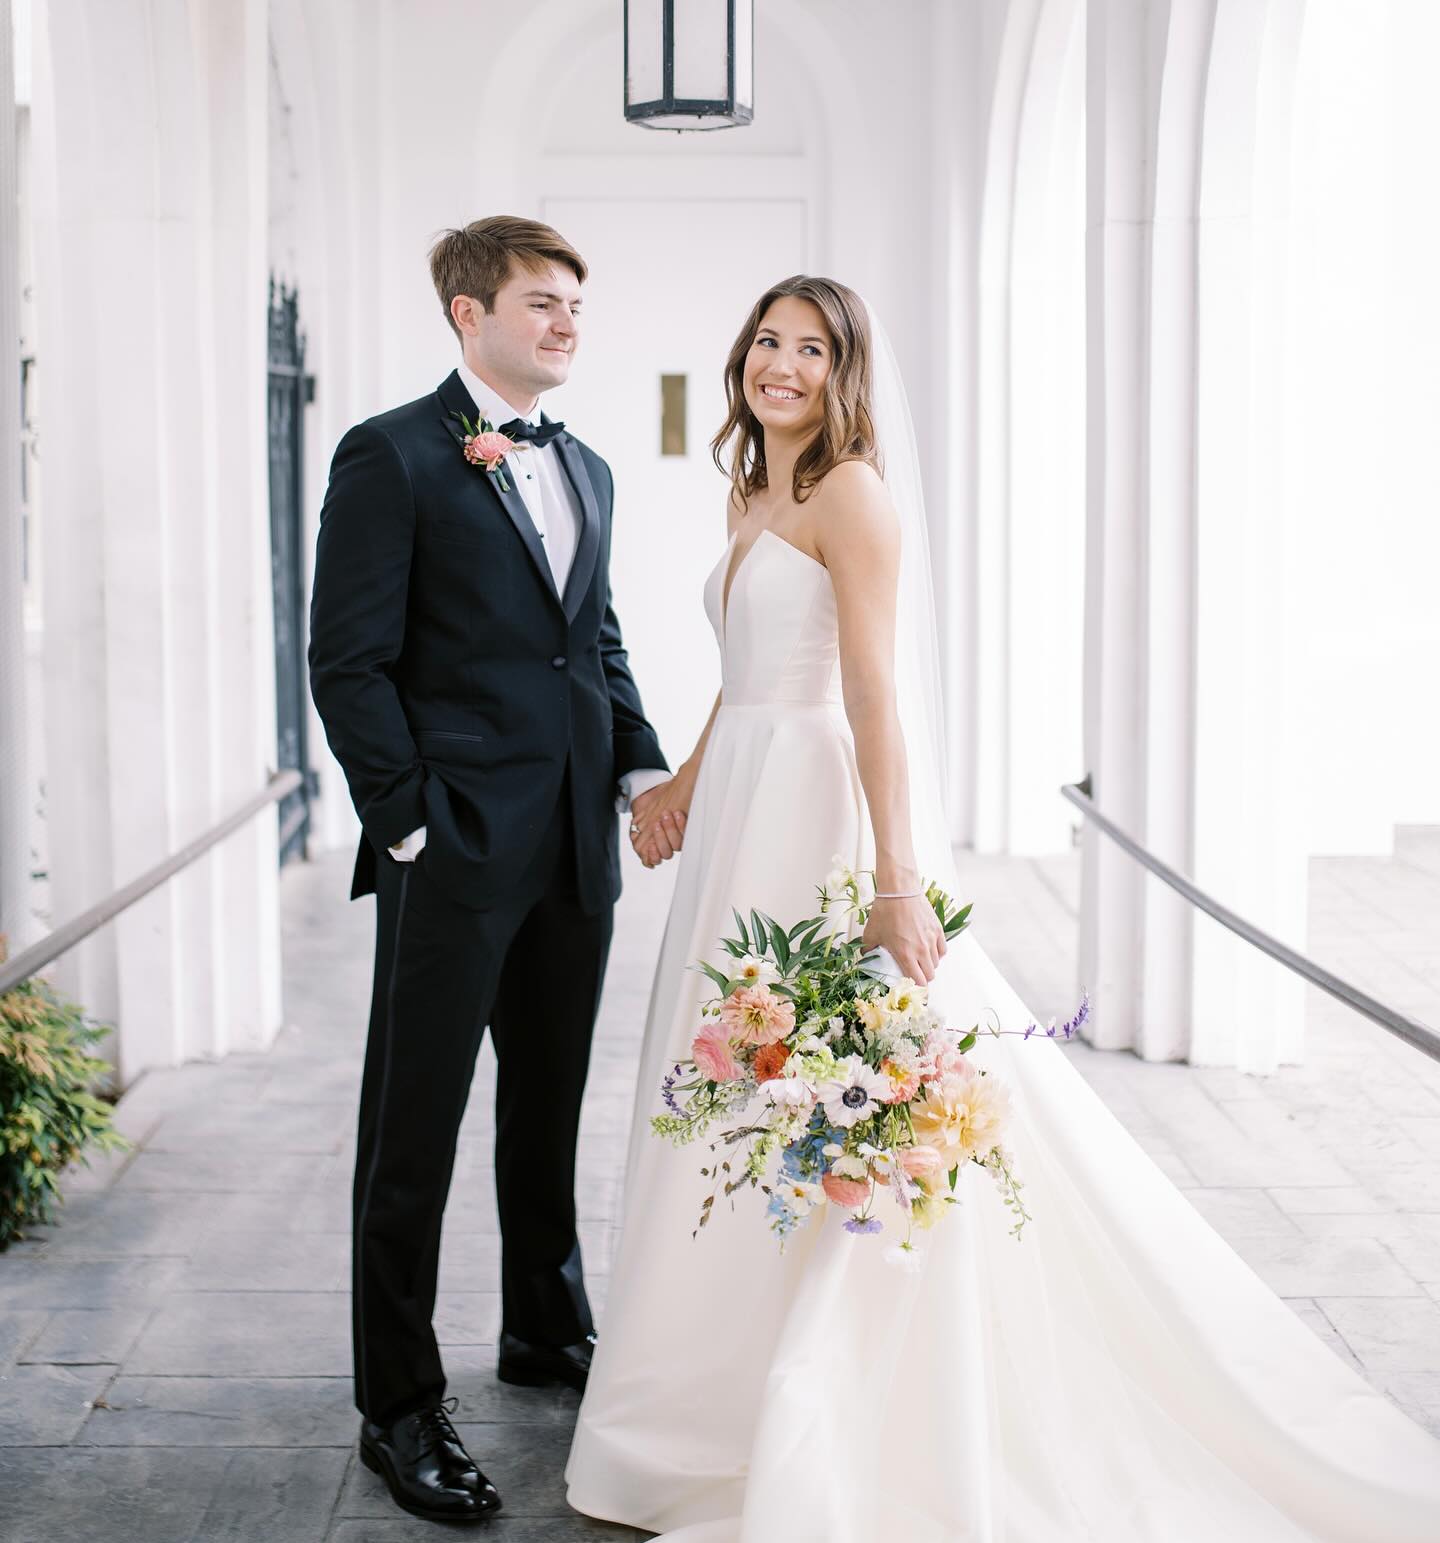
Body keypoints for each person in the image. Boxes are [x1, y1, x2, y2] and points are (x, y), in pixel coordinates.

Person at [565, 275, 1440, 1541]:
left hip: (813, 810)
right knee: (724, 1085)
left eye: (813, 349)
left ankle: (813, 1391)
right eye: (769, 341)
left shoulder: (851, 495)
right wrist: (687, 788)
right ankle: (698, 1393)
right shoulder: (754, 485)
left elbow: (870, 694)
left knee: (814, 1077)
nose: (784, 365)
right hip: (741, 807)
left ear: (845, 371)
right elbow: (744, 673)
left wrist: (896, 879)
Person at [308, 215, 683, 1525]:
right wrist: (406, 819)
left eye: (577, 298)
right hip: (454, 844)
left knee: (550, 1101)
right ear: (469, 313)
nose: (567, 319)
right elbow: (345, 657)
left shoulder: (585, 465)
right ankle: (397, 1401)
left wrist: (639, 769)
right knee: (411, 1129)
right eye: (541, 298)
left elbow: (597, 639)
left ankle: (544, 1322)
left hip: (577, 837)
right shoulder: (392, 453)